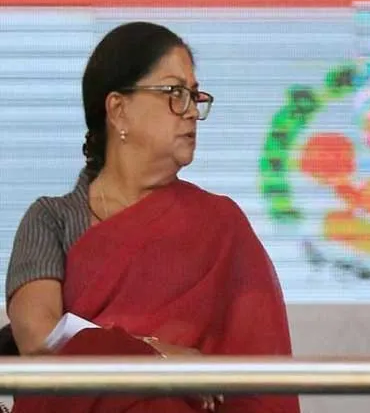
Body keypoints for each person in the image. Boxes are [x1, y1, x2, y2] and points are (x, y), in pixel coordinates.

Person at [5, 22, 300, 413]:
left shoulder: (221, 225)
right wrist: (153, 356)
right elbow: (40, 341)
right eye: (174, 93)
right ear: (119, 110)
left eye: (195, 96)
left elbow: (258, 381)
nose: (191, 111)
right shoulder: (52, 220)